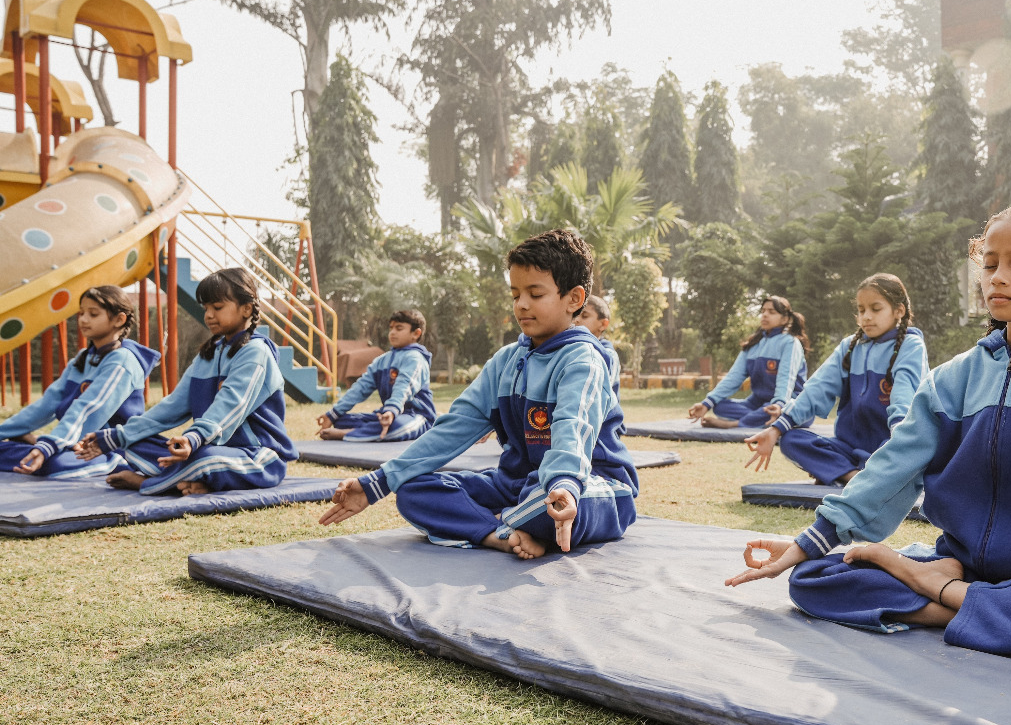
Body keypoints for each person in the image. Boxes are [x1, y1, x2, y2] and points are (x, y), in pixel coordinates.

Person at [726, 199, 1011, 663]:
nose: (997, 277)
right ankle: (961, 599)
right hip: (965, 564)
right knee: (814, 579)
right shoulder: (953, 377)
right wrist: (813, 540)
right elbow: (895, 463)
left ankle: (934, 590)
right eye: (989, 265)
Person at [319, 228, 637, 559]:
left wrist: (565, 484)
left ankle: (515, 521)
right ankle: (499, 533)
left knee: (549, 506)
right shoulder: (505, 361)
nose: (522, 305)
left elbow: (574, 427)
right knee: (412, 490)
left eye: (535, 294)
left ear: (574, 298)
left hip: (585, 485)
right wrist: (377, 484)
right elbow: (452, 428)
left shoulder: (583, 359)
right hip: (515, 487)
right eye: (515, 295)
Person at [75, 268, 296, 495]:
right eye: (206, 308)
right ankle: (192, 479)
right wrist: (116, 436)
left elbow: (230, 406)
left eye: (217, 308)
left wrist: (194, 438)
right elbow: (173, 406)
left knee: (205, 459)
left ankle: (146, 482)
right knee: (133, 443)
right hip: (206, 447)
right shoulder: (209, 354)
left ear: (246, 309)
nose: (209, 315)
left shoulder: (255, 352)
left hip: (259, 456)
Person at [743, 273, 929, 486]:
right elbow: (816, 389)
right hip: (848, 448)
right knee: (792, 440)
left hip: (889, 446)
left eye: (875, 309)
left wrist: (898, 447)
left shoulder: (911, 345)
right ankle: (854, 478)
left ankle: (849, 473)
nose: (866, 316)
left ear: (899, 311)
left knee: (909, 454)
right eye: (861, 310)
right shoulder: (849, 347)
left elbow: (904, 399)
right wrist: (775, 429)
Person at [0, 286, 160, 478]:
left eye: (93, 314)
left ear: (119, 319)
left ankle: (118, 464)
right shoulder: (83, 358)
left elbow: (88, 408)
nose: (83, 319)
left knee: (54, 463)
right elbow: (46, 404)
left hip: (109, 446)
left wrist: (48, 446)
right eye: (82, 313)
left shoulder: (123, 362)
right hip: (74, 442)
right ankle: (40, 448)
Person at [687, 296, 808, 429]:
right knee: (719, 406)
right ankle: (761, 419)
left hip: (789, 402)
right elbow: (733, 378)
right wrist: (706, 404)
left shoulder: (790, 343)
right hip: (758, 404)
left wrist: (779, 404)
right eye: (763, 311)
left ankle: (735, 424)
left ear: (785, 319)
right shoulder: (753, 345)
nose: (765, 315)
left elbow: (787, 378)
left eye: (771, 312)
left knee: (778, 410)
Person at [316, 309, 436, 443]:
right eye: (391, 328)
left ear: (416, 333)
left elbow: (404, 387)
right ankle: (371, 429)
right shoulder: (382, 361)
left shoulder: (415, 358)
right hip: (387, 414)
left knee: (397, 427)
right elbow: (359, 389)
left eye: (399, 328)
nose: (393, 332)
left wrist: (391, 411)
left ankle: (348, 433)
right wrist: (332, 414)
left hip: (416, 416)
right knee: (341, 420)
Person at [576, 293, 621, 397]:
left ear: (603, 324)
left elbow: (600, 389)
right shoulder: (573, 347)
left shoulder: (608, 354)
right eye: (575, 314)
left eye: (585, 316)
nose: (576, 319)